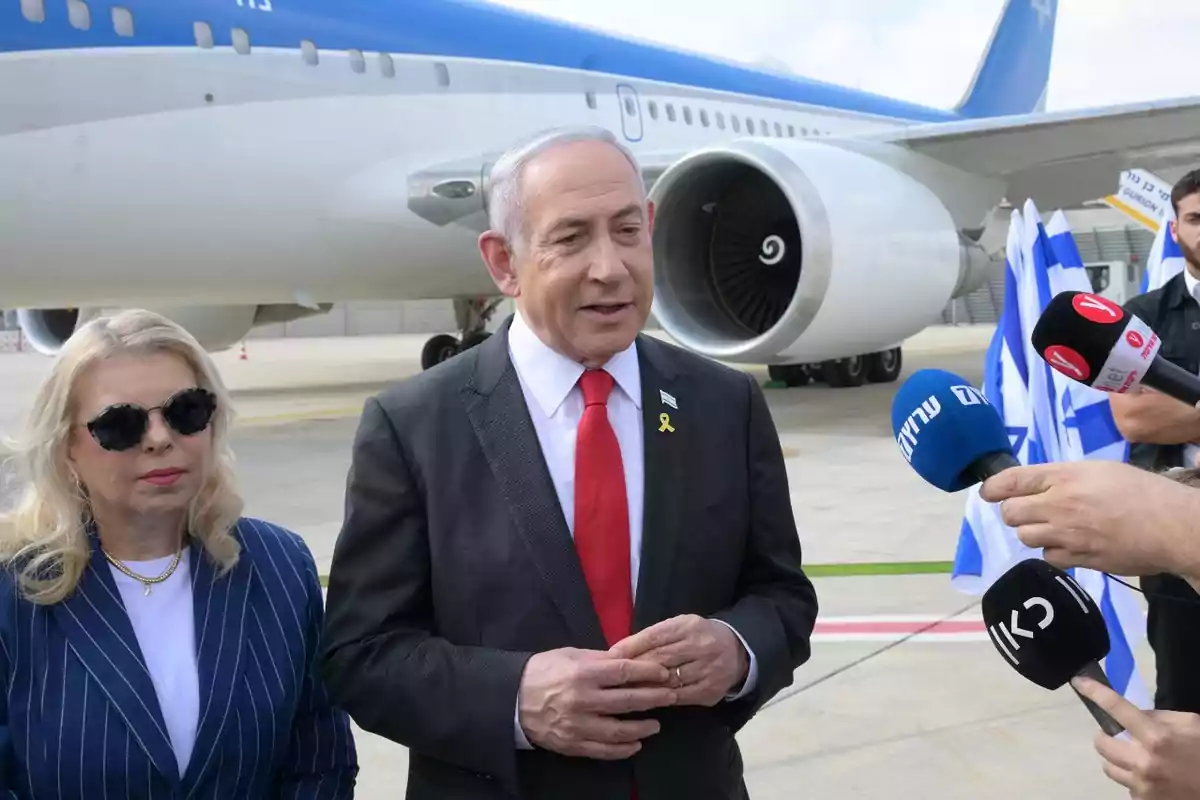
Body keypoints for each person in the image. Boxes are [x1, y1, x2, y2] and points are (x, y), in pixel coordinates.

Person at [321, 125, 819, 800]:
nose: (609, 267)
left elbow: (782, 597)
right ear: (503, 262)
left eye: (625, 231)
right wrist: (515, 698)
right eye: (571, 238)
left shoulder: (722, 402)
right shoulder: (413, 425)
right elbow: (361, 655)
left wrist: (738, 648)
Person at [0, 309, 358, 799]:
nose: (160, 439)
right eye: (120, 424)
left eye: (185, 411)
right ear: (67, 448)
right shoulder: (14, 588)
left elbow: (319, 761)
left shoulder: (279, 566)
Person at [1106, 167, 1200, 713]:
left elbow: (1160, 411)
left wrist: (1182, 406)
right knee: (1184, 692)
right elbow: (1136, 420)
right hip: (1170, 515)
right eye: (1196, 218)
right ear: (1175, 227)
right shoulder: (1142, 319)